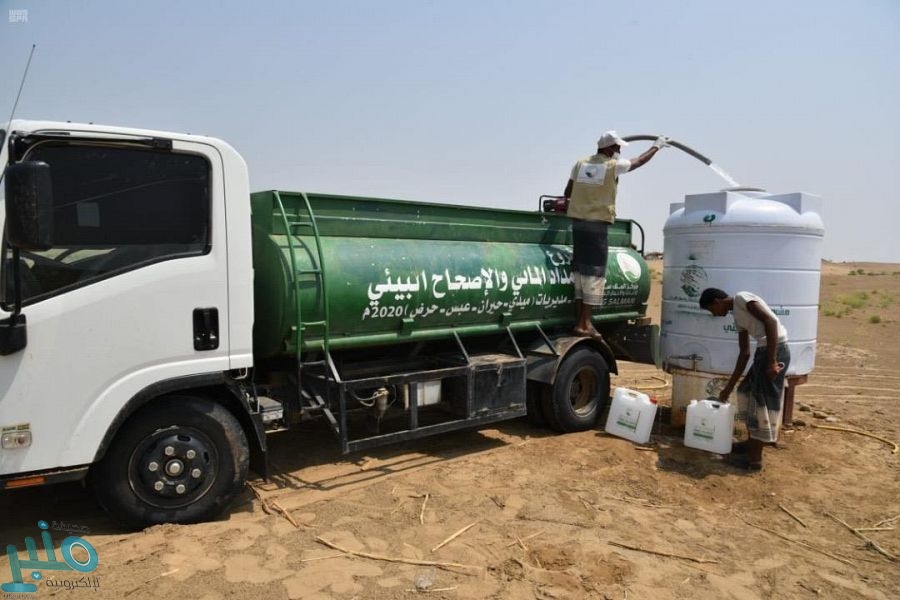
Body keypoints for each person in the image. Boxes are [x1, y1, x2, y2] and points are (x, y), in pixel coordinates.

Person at [563, 131, 667, 341]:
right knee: (594, 273)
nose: (619, 151)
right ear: (609, 148)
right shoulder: (613, 166)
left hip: (578, 223)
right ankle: (584, 324)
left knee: (581, 271)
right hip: (597, 224)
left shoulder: (580, 164)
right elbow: (639, 161)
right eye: (617, 147)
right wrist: (657, 146)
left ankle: (580, 322)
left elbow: (568, 192)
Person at [698, 288, 791, 471]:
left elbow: (771, 321)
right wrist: (728, 388)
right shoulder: (738, 318)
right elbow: (744, 353)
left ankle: (754, 461)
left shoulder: (742, 298)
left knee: (759, 404)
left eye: (711, 310)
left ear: (717, 301)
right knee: (745, 392)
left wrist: (772, 361)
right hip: (763, 352)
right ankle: (751, 444)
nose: (714, 315)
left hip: (775, 350)